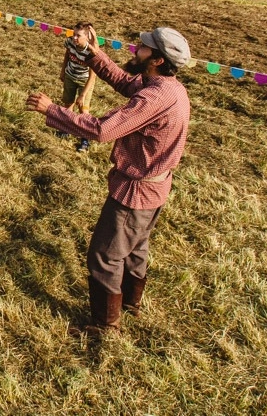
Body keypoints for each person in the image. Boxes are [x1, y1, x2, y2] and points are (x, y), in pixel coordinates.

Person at [25, 27, 191, 334]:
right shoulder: (168, 87)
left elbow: (103, 130)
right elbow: (125, 82)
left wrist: (52, 110)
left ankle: (105, 325)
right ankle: (130, 303)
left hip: (136, 193)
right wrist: (92, 52)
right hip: (155, 186)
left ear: (156, 59)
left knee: (104, 256)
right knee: (136, 248)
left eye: (143, 47)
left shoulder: (154, 97)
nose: (135, 49)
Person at [59, 22, 98, 152]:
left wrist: (82, 96)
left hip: (84, 81)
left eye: (78, 36)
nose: (74, 38)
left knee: (83, 110)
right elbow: (67, 54)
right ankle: (65, 130)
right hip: (70, 75)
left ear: (87, 37)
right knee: (68, 104)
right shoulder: (70, 42)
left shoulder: (91, 52)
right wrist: (63, 70)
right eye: (74, 34)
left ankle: (85, 139)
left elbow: (92, 77)